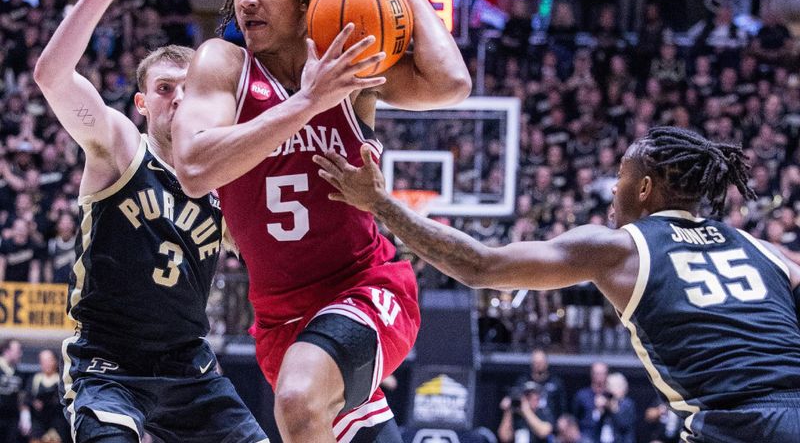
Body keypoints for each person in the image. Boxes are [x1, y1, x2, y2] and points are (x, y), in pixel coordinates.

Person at [315, 126, 800, 442]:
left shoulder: (621, 247)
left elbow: (481, 265)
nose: (614, 188)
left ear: (646, 188)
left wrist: (381, 203)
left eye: (622, 176)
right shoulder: (768, 250)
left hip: (736, 427)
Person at [171, 0, 472, 442]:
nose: (247, 0)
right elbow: (195, 168)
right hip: (279, 317)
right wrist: (308, 102)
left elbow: (450, 84)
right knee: (310, 410)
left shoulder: (352, 71)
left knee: (298, 396)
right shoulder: (222, 63)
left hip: (366, 285)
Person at [33, 0, 267, 443]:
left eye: (190, 90)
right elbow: (51, 75)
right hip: (110, 364)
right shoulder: (120, 145)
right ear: (142, 104)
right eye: (165, 89)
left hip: (189, 368)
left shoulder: (221, 176)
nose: (179, 99)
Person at [27, 349, 70, 443]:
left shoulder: (63, 380)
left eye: (49, 360)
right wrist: (34, 403)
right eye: (43, 361)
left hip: (58, 424)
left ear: (55, 361)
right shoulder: (35, 379)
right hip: (38, 424)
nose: (46, 364)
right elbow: (27, 398)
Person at [571, 362, 609, 439]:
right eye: (597, 373)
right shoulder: (582, 395)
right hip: (587, 435)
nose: (600, 377)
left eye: (602, 373)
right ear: (592, 374)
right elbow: (574, 417)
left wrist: (608, 404)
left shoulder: (611, 395)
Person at [0, 339, 26, 443]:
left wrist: (24, 416)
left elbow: (21, 397)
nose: (20, 354)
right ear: (7, 351)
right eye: (18, 351)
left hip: (12, 419)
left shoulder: (19, 373)